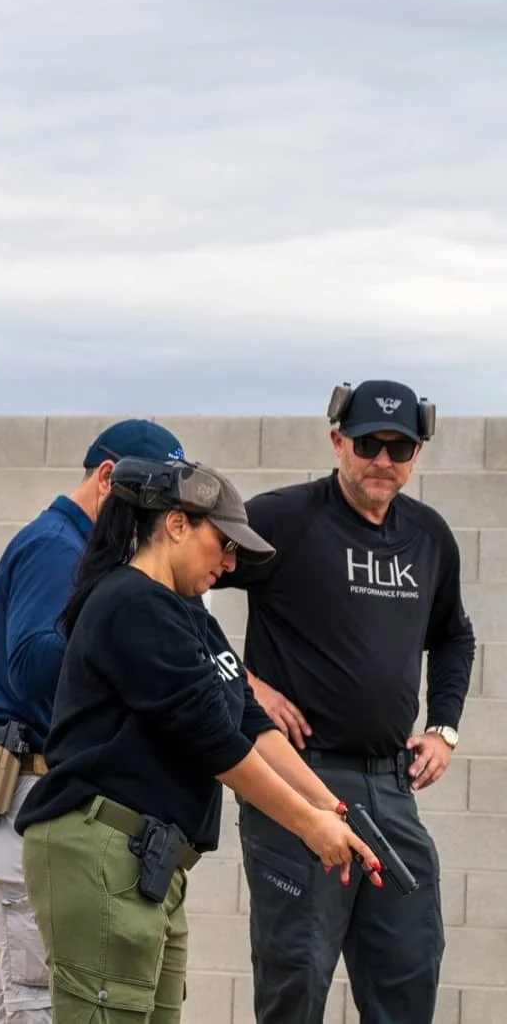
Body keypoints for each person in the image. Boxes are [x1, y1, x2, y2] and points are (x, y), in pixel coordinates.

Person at [14, 458, 380, 1024]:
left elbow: (250, 722)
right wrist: (310, 827)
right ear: (178, 523)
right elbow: (212, 741)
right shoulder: (131, 601)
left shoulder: (185, 610)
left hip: (150, 861)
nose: (231, 563)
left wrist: (327, 805)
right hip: (104, 849)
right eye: (225, 543)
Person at [217, 380, 475, 1024]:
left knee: (408, 973)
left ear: (416, 452)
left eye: (400, 447)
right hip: (300, 783)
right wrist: (246, 683)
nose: (383, 460)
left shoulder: (429, 537)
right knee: (296, 981)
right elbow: (177, 587)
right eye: (368, 444)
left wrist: (443, 728)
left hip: (391, 787)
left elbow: (453, 636)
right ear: (338, 440)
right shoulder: (281, 520)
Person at [0, 419, 187, 1024]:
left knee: (17, 992)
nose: (160, 516)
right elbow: (34, 664)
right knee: (38, 996)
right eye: (152, 497)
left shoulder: (80, 551)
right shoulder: (59, 547)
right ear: (108, 478)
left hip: (36, 795)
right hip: (29, 789)